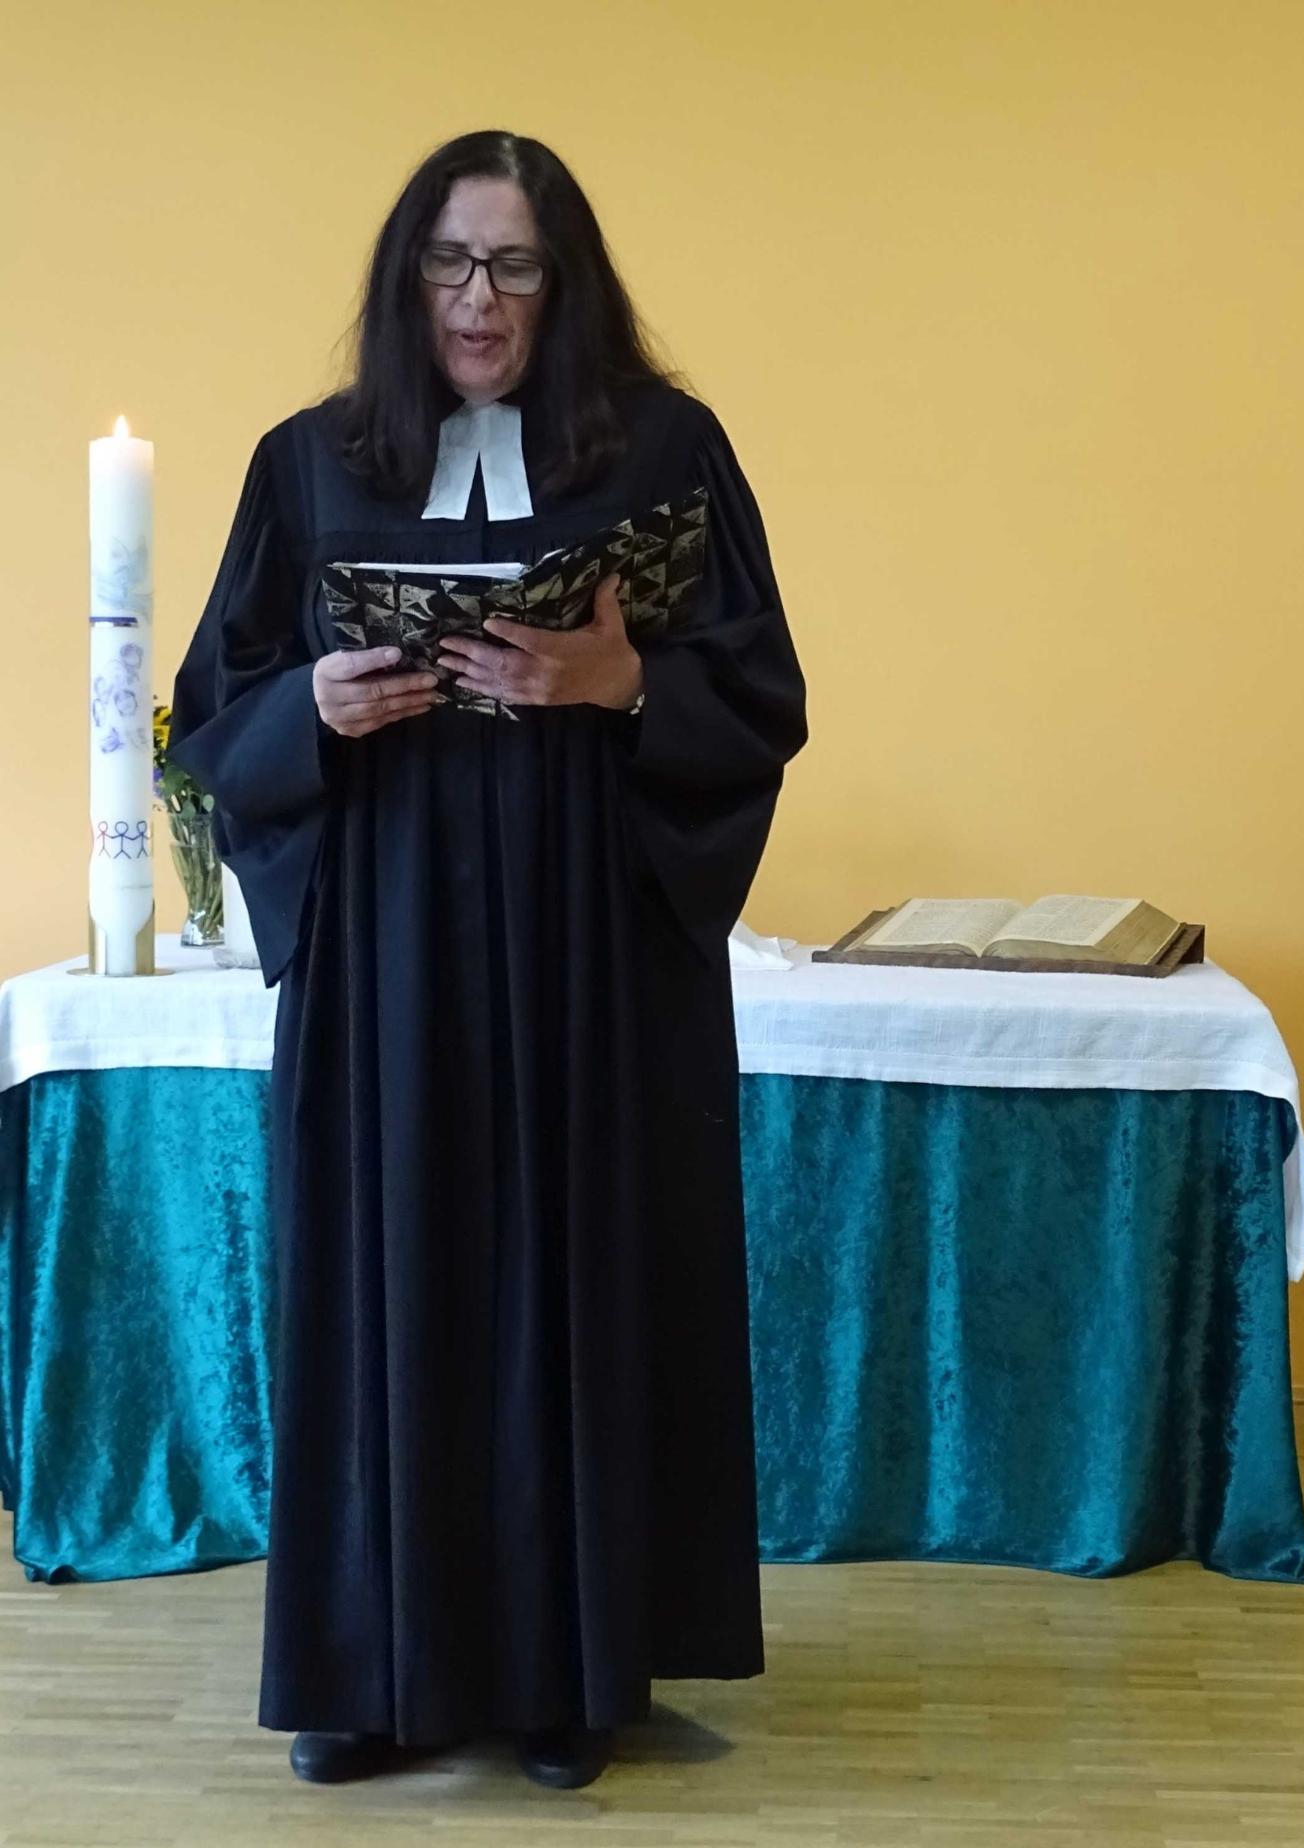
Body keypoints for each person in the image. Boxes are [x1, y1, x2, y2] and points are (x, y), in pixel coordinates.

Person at [167, 127, 809, 1790]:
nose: (480, 298)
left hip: (590, 941)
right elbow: (212, 717)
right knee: (391, 1278)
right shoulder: (311, 464)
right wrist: (310, 709)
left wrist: (626, 689)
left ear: (567, 283)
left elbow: (762, 698)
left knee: (573, 1275)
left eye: (516, 264)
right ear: (406, 283)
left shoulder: (665, 452)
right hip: (386, 949)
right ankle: (373, 1677)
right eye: (451, 263)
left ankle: (571, 1678)